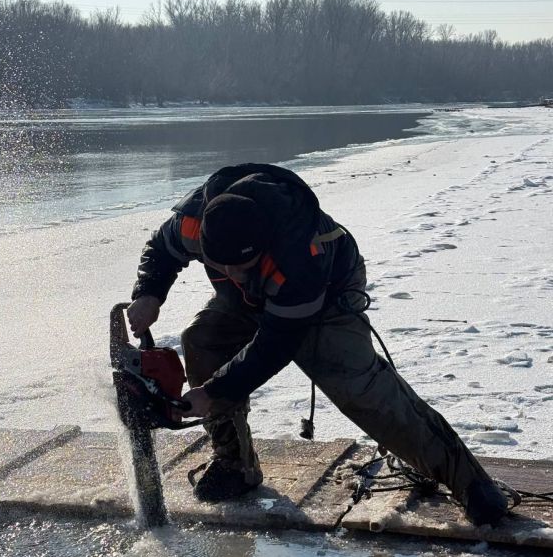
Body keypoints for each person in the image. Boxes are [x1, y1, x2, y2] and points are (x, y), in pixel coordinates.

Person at [128, 162, 510, 526]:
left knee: (361, 389)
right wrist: (149, 293)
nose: (230, 273)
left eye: (240, 267)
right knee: (203, 340)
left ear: (261, 247)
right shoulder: (193, 223)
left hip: (324, 297)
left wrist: (214, 392)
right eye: (220, 265)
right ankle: (235, 465)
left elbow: (274, 345)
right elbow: (161, 251)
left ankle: (469, 483)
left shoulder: (300, 256)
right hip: (251, 300)